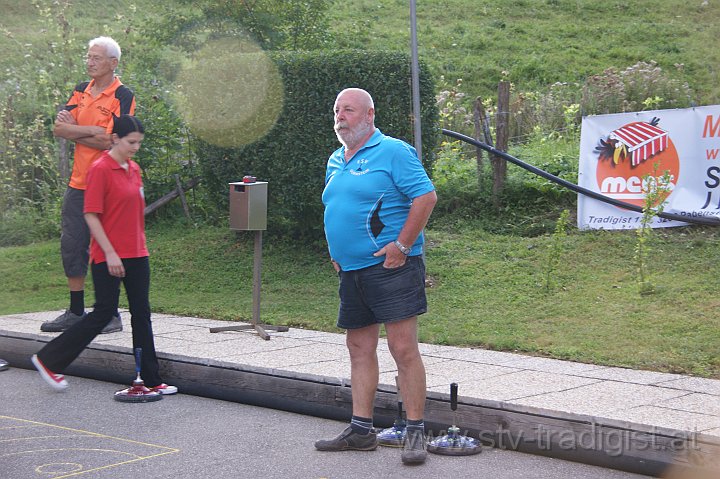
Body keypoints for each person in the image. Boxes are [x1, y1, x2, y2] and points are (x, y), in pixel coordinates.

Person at [315, 88, 437, 465]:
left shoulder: (394, 151)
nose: (340, 116)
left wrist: (402, 245)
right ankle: (361, 430)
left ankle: (415, 431)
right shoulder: (335, 159)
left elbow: (426, 197)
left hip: (391, 268)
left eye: (348, 110)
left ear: (370, 114)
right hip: (351, 271)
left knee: (403, 349)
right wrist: (336, 252)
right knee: (358, 347)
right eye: (337, 110)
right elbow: (339, 208)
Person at [31, 115, 177, 396]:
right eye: (131, 142)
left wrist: (139, 247)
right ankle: (48, 360)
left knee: (142, 313)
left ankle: (151, 379)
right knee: (104, 313)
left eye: (139, 143)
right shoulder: (99, 169)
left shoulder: (134, 169)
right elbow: (90, 214)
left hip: (137, 253)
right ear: (115, 138)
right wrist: (110, 254)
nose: (136, 147)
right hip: (107, 255)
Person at [41, 36, 136, 334]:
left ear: (113, 63)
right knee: (72, 245)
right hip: (78, 184)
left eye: (96, 58)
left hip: (109, 185)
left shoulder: (123, 95)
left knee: (107, 248)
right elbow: (59, 128)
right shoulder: (80, 90)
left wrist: (77, 130)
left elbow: (112, 140)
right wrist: (90, 131)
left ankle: (110, 314)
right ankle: (75, 311)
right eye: (88, 56)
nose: (90, 62)